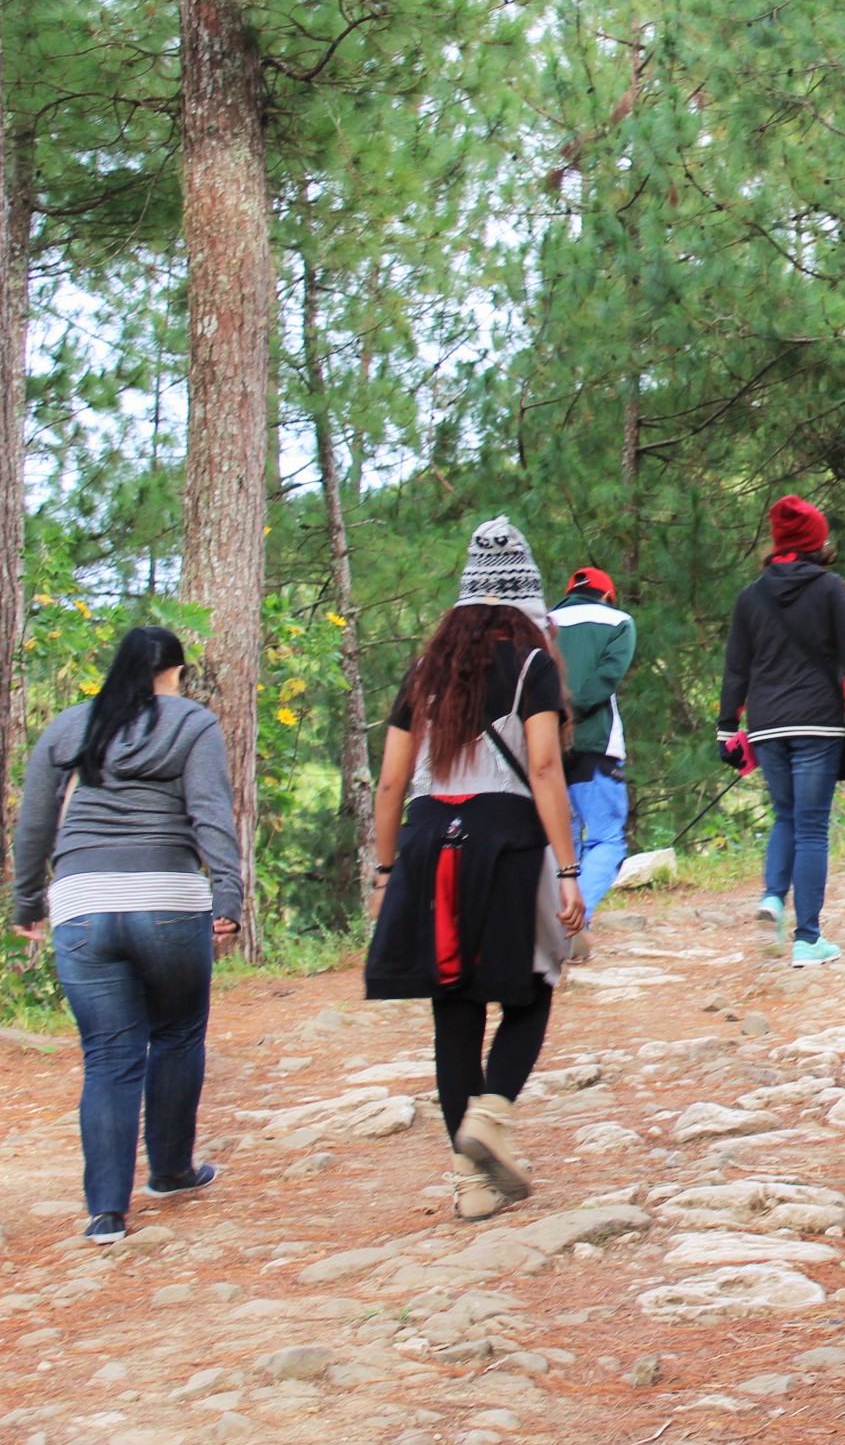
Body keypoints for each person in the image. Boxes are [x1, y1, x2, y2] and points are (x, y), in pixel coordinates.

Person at [364, 517, 586, 1220]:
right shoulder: (532, 667)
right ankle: (490, 1116)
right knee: (534, 985)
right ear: (528, 599)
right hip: (507, 839)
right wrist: (568, 869)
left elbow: (392, 782)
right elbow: (545, 767)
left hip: (430, 841)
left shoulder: (425, 672)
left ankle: (470, 1188)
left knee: (453, 1010)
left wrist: (383, 870)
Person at [12, 626, 242, 1246]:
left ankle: (105, 1214)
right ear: (173, 671)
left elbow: (35, 820)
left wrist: (27, 900)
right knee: (176, 1032)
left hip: (82, 901)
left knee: (109, 1058)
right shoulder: (191, 722)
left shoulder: (72, 725)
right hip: (167, 899)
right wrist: (227, 895)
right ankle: (170, 1170)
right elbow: (211, 812)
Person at [716, 495, 845, 966]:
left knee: (786, 817)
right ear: (816, 542)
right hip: (818, 723)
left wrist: (726, 727)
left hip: (767, 727)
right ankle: (808, 939)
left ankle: (773, 899)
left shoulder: (750, 597)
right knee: (812, 827)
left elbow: (736, 670)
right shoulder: (831, 589)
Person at [548, 566, 636, 929]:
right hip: (595, 745)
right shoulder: (619, 622)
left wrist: (552, 716)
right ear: (606, 595)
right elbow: (605, 681)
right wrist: (573, 710)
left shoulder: (543, 622)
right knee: (608, 840)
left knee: (561, 843)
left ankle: (554, 926)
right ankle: (570, 923)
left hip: (544, 747)